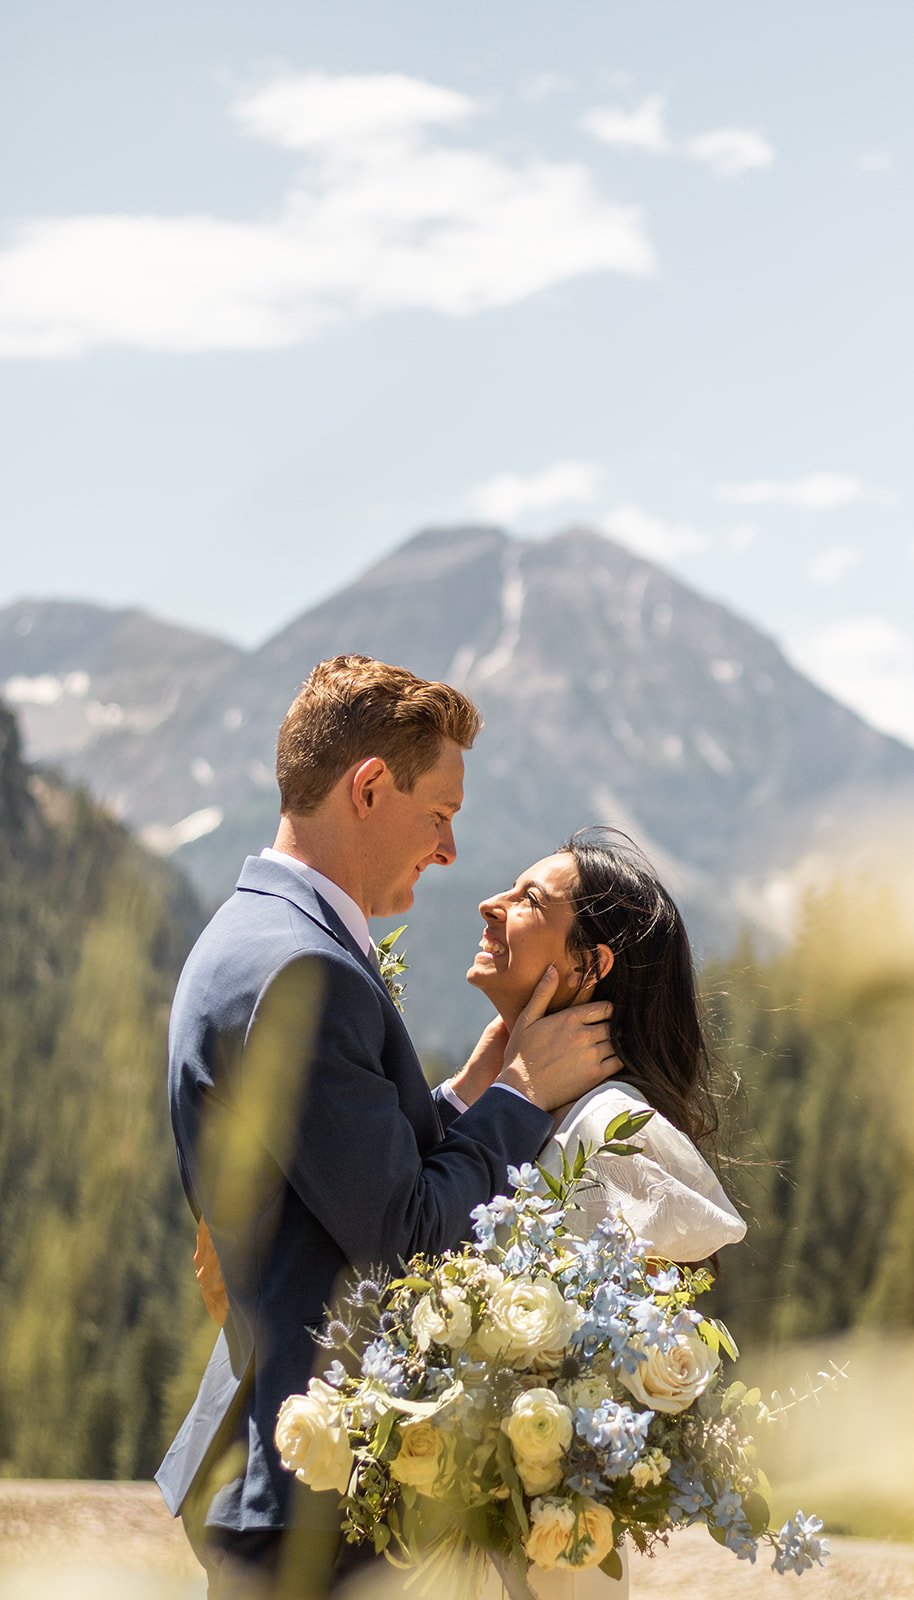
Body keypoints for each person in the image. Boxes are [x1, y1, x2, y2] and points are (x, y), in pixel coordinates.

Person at [156, 656, 617, 1600]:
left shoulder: (258, 935)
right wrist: (525, 1094)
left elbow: (337, 1173)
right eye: (440, 814)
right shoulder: (303, 970)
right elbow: (402, 1234)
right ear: (369, 787)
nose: (449, 851)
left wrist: (478, 1079)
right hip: (317, 1499)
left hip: (284, 1474)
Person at [464, 829, 746, 1600]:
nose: (489, 904)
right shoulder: (531, 1110)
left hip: (544, 1560)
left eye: (529, 900)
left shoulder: (612, 1132)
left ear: (588, 966)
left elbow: (612, 1379)